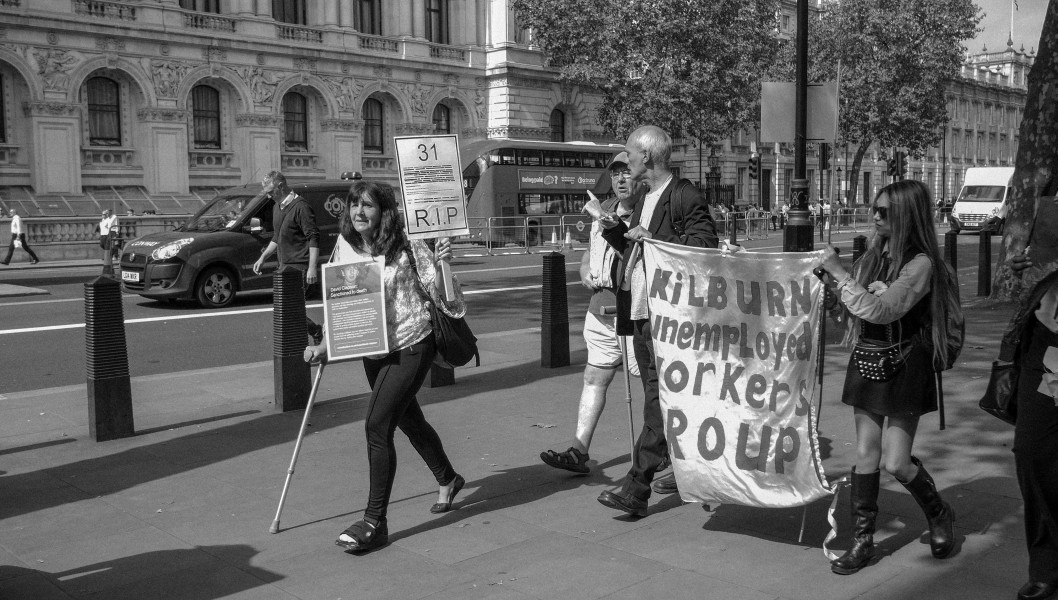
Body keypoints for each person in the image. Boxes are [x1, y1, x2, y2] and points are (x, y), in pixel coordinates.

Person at [304, 181, 466, 555]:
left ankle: (375, 522)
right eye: (354, 205)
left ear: (384, 211)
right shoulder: (348, 245)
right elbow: (343, 301)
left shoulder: (407, 243)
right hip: (374, 349)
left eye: (368, 206)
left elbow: (446, 296)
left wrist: (443, 260)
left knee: (377, 425)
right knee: (409, 420)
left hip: (413, 343)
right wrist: (324, 346)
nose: (358, 212)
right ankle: (449, 478)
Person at [818, 179, 959, 575]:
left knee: (896, 462)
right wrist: (831, 291)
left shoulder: (921, 264)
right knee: (866, 453)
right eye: (874, 209)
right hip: (868, 359)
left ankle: (938, 511)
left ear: (906, 217)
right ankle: (863, 541)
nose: (875, 217)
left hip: (905, 363)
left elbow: (882, 311)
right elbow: (853, 312)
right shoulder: (873, 255)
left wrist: (839, 274)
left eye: (885, 212)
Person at [595, 125, 719, 516]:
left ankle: (636, 487)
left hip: (673, 319)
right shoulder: (645, 197)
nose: (625, 161)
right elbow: (640, 255)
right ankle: (700, 476)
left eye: (629, 154)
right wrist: (616, 234)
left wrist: (657, 240)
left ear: (646, 157)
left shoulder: (683, 196)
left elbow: (705, 248)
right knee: (665, 400)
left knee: (659, 401)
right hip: (643, 315)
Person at [539, 152, 642, 474]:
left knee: (655, 386)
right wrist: (584, 268)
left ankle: (666, 452)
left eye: (627, 173)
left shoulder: (649, 213)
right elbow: (590, 251)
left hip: (637, 314)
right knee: (594, 377)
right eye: (616, 174)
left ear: (641, 175)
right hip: (600, 311)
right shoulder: (605, 209)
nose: (621, 179)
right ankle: (578, 450)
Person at [1007, 247, 1058, 600]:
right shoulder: (1049, 200)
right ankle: (1045, 564)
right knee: (1031, 452)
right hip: (1045, 348)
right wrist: (1021, 271)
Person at [253, 171, 324, 345]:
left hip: (300, 266)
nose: (268, 196)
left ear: (281, 186)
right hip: (284, 267)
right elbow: (277, 237)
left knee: (291, 309)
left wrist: (312, 268)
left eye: (271, 191)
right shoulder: (277, 206)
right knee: (286, 309)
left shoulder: (301, 207)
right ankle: (307, 339)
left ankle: (315, 335)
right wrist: (262, 257)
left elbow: (313, 237)